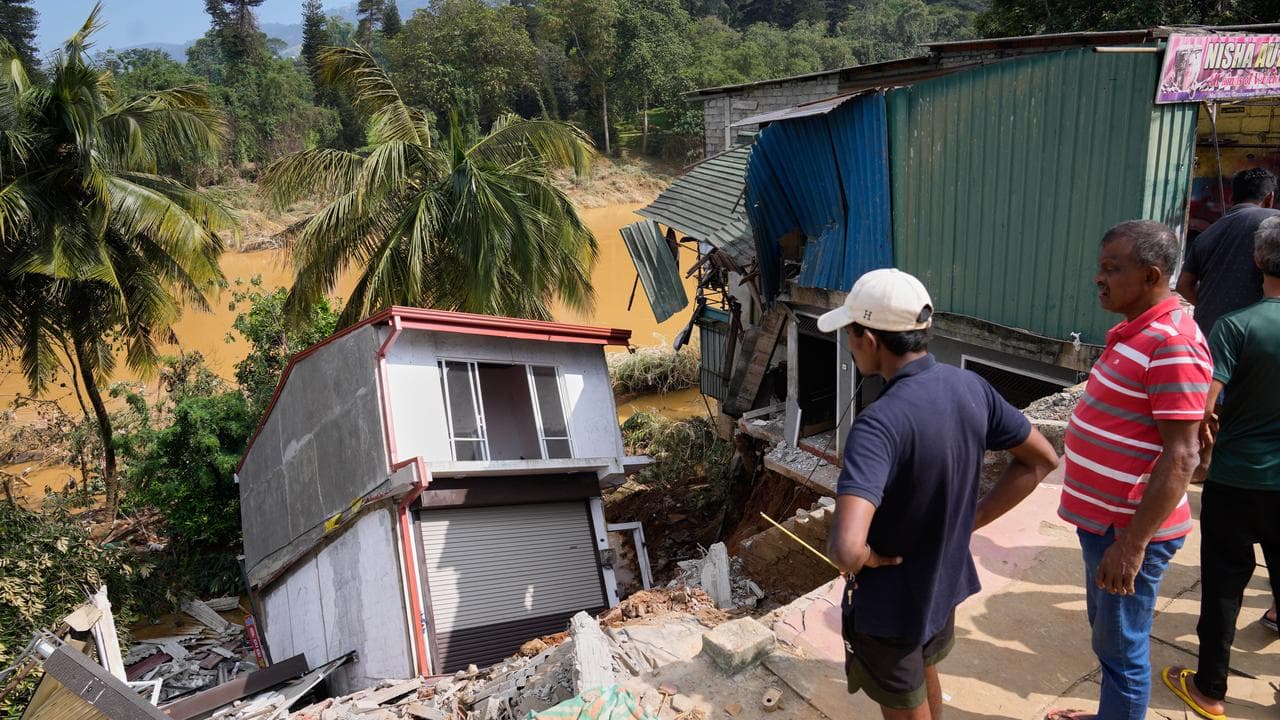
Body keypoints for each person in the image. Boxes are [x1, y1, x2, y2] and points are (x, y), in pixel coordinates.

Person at [820, 268, 1060, 720]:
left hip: (892, 605)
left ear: (869, 340)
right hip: (942, 584)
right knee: (925, 668)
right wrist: (969, 520)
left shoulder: (878, 424)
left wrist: (869, 559)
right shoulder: (970, 386)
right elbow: (1042, 459)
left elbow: (846, 548)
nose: (851, 345)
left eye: (851, 334)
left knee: (904, 701)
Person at [1047, 221, 1211, 720]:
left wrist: (1132, 545)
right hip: (1106, 525)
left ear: (1151, 275)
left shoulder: (1171, 343)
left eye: (1112, 269)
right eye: (1100, 267)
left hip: (1127, 531)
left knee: (1121, 652)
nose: (1099, 278)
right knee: (1110, 640)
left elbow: (1182, 455)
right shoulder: (1137, 331)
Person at [1161, 216, 1280, 720]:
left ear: (1257, 260)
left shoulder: (1236, 326)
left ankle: (1210, 691)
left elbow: (1203, 407)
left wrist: (1207, 442)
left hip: (1235, 480)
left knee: (1224, 587)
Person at [1175, 168, 1280, 631]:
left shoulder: (1215, 230)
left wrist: (1213, 306)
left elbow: (1184, 285)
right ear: (1269, 196)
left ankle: (1210, 685)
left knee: (1223, 572)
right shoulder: (1272, 224)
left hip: (1219, 349)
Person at [1176, 167, 1279, 339]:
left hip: (1209, 336)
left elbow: (1183, 285)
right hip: (1255, 337)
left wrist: (1214, 310)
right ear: (1269, 198)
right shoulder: (1274, 221)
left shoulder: (1208, 233)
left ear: (1232, 198)